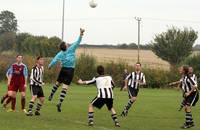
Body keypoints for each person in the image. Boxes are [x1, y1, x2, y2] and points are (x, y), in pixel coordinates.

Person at [48, 28, 85, 112]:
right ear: (65, 46)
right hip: (70, 70)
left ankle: (51, 94)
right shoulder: (71, 49)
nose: (67, 44)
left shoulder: (60, 53)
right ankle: (60, 103)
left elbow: (54, 60)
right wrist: (81, 34)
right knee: (64, 88)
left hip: (63, 69)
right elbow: (78, 42)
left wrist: (50, 66)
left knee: (57, 83)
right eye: (66, 43)